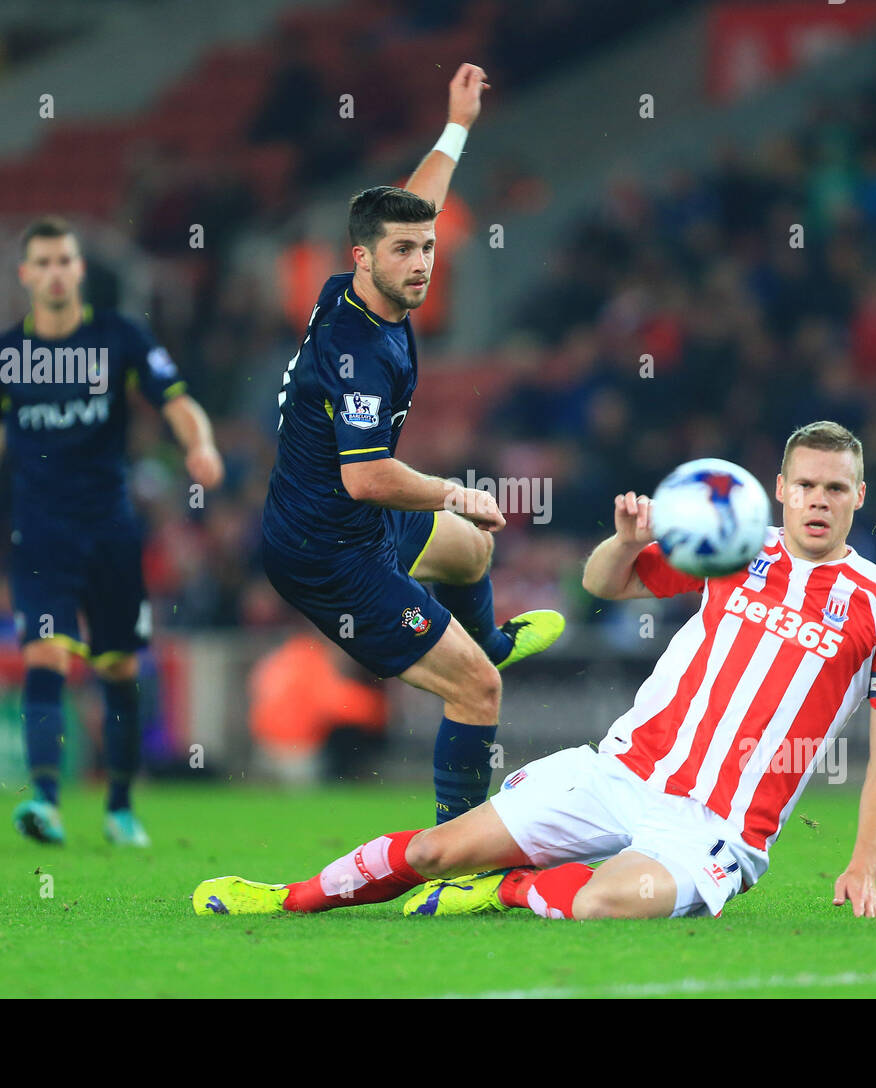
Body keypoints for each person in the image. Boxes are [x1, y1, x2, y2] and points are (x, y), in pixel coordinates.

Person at [194, 421, 876, 921]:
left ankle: (509, 890)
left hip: (719, 829)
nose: (820, 501)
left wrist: (863, 864)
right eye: (807, 486)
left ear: (859, 495)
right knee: (433, 849)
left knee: (607, 903)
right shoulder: (730, 544)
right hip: (619, 774)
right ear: (782, 488)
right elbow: (606, 584)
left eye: (836, 488)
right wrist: (624, 541)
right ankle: (284, 899)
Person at [259, 63, 563, 827]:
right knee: (476, 693)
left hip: (351, 522)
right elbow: (366, 479)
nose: (422, 261)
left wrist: (457, 124)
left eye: (427, 246)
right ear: (364, 256)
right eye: (403, 251)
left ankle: (488, 639)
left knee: (469, 552)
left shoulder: (354, 284)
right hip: (327, 551)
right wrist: (453, 490)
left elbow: (420, 200)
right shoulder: (357, 350)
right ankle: (458, 852)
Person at [0, 215, 223, 846]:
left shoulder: (119, 338)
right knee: (45, 656)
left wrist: (200, 445)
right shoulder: (1, 357)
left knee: (118, 669)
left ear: (79, 270)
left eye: (64, 261)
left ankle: (121, 807)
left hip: (110, 535)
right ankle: (45, 802)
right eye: (42, 262)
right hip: (40, 538)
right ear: (25, 275)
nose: (54, 272)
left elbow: (176, 399)